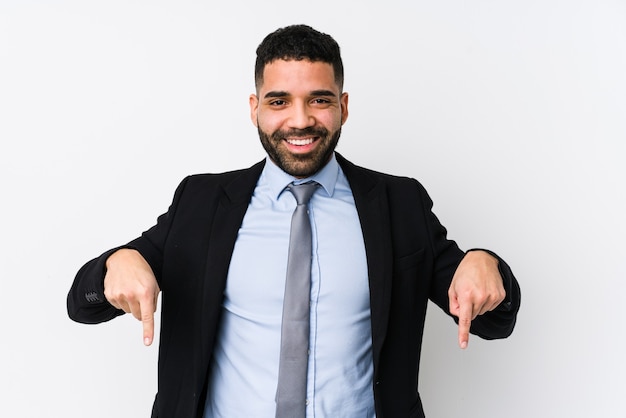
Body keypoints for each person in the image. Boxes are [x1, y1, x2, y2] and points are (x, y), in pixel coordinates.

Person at [67, 24, 521, 418]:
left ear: (343, 106)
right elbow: (82, 305)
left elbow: (492, 320)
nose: (300, 121)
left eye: (319, 100)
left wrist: (486, 262)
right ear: (255, 109)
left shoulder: (398, 204)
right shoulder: (202, 202)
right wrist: (117, 262)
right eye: (279, 101)